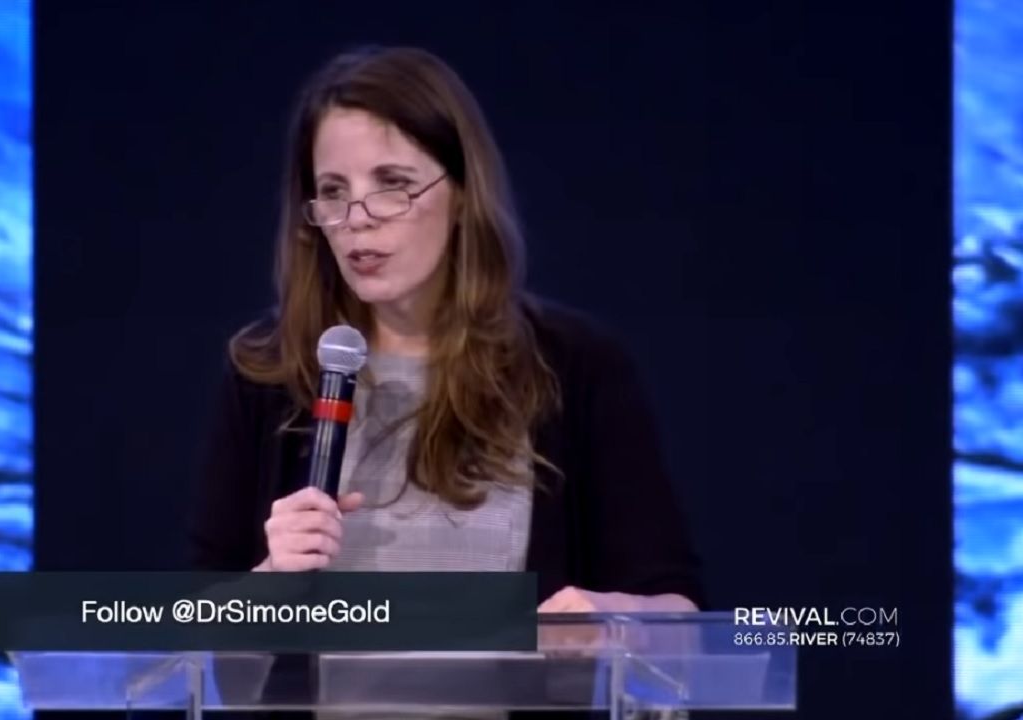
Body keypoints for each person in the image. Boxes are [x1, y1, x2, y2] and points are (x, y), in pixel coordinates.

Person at [188, 44, 705, 616]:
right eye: (333, 191)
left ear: (461, 194)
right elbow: (194, 631)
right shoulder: (269, 375)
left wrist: (610, 619)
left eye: (391, 183)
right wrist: (266, 585)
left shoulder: (575, 366)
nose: (358, 218)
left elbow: (679, 609)